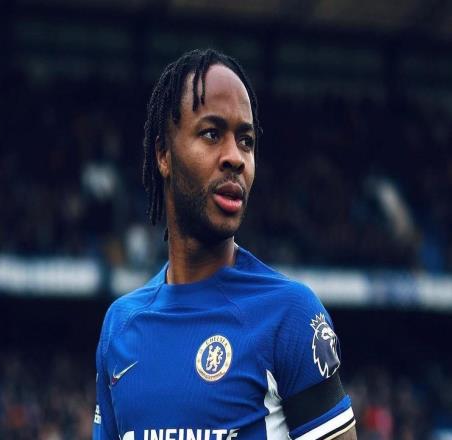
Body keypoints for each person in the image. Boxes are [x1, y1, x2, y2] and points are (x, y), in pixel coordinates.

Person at [93, 48, 357, 440]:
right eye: (212, 134)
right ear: (163, 155)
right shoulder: (120, 327)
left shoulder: (290, 315)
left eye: (246, 141)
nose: (235, 157)